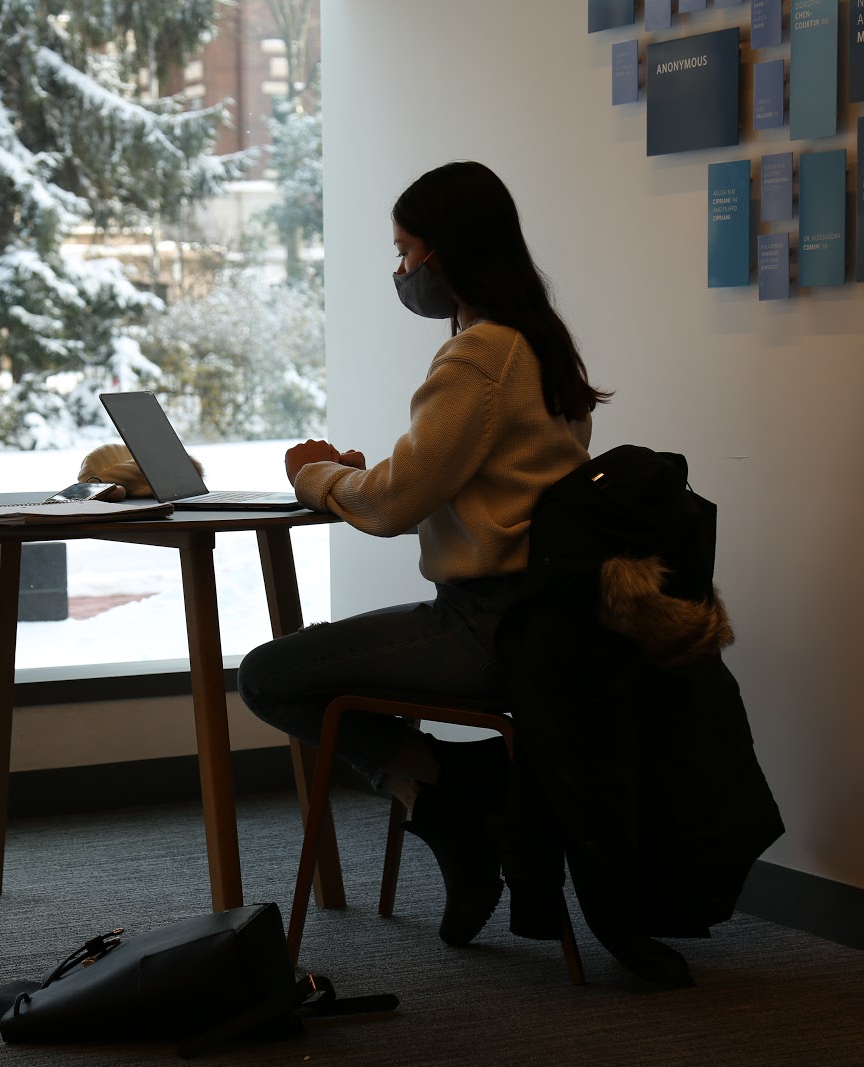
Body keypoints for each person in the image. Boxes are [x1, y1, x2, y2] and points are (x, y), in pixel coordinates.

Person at [237, 160, 610, 947]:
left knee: (269, 676)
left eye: (406, 252)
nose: (402, 271)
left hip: (485, 626)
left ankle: (446, 793)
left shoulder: (481, 356)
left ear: (446, 252)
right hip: (547, 625)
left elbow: (394, 505)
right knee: (317, 669)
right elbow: (463, 489)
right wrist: (364, 479)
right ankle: (460, 790)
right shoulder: (541, 344)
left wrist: (314, 475)